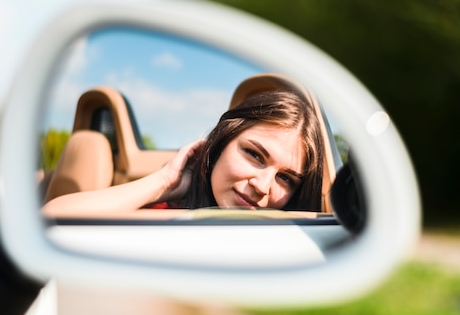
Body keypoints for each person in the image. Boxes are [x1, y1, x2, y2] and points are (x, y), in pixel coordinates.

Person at [43, 80, 326, 216]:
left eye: (286, 178)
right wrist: (164, 181)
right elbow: (54, 217)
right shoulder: (163, 210)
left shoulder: (295, 229)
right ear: (217, 146)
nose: (263, 186)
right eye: (254, 154)